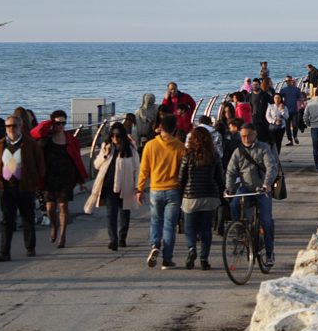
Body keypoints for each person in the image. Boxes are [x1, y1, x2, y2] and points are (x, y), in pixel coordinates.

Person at [31, 110, 87, 248]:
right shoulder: (46, 140)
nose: (61, 125)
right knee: (50, 208)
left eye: (63, 123)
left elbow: (77, 160)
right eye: (58, 123)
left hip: (66, 177)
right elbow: (34, 133)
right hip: (50, 178)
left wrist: (81, 181)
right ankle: (54, 226)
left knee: (63, 206)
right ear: (53, 123)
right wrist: (49, 124)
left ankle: (62, 235)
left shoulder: (71, 140)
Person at [136, 114, 185, 270]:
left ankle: (155, 245)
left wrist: (140, 188)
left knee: (156, 221)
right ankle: (167, 259)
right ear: (175, 128)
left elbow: (144, 169)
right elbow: (184, 171)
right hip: (173, 189)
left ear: (160, 127)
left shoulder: (150, 145)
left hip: (156, 189)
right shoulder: (179, 146)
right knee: (170, 226)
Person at [225, 123, 279, 266]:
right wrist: (229, 188)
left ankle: (269, 253)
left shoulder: (263, 148)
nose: (246, 139)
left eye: (249, 135)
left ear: (255, 134)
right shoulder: (238, 151)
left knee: (266, 221)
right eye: (243, 136)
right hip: (245, 188)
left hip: (262, 189)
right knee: (234, 204)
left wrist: (267, 184)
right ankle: (240, 233)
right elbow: (231, 171)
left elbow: (272, 167)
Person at [0, 116, 44, 261]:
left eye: (14, 126)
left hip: (25, 187)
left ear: (20, 127)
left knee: (28, 217)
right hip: (6, 188)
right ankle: (4, 252)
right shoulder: (0, 145)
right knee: (7, 220)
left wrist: (34, 182)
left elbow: (40, 164)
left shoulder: (30, 144)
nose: (11, 129)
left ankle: (30, 247)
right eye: (8, 126)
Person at [87, 122, 139, 250]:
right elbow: (97, 165)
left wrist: (138, 186)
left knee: (124, 212)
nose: (115, 139)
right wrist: (105, 154)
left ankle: (122, 237)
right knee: (111, 213)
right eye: (113, 136)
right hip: (109, 185)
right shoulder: (107, 147)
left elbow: (137, 168)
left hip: (125, 185)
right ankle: (113, 240)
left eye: (118, 136)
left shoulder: (130, 149)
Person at [180, 126, 224, 270]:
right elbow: (219, 178)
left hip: (191, 196)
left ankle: (192, 248)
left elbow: (182, 178)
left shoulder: (188, 155)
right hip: (209, 196)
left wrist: (180, 195)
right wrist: (222, 195)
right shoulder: (214, 155)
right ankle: (204, 259)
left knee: (190, 228)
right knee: (206, 229)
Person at [279, 76, 302, 146]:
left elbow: (300, 98)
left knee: (295, 125)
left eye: (289, 80)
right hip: (286, 110)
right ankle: (290, 140)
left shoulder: (296, 89)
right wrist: (281, 105)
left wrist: (301, 104)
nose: (287, 82)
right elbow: (279, 98)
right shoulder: (283, 90)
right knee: (287, 126)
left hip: (295, 110)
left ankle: (295, 136)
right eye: (286, 81)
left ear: (291, 81)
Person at [249, 78, 272, 143]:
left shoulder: (265, 95)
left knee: (265, 137)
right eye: (253, 84)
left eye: (256, 84)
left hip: (264, 119)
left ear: (260, 85)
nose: (255, 86)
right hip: (253, 118)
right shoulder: (249, 96)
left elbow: (272, 103)